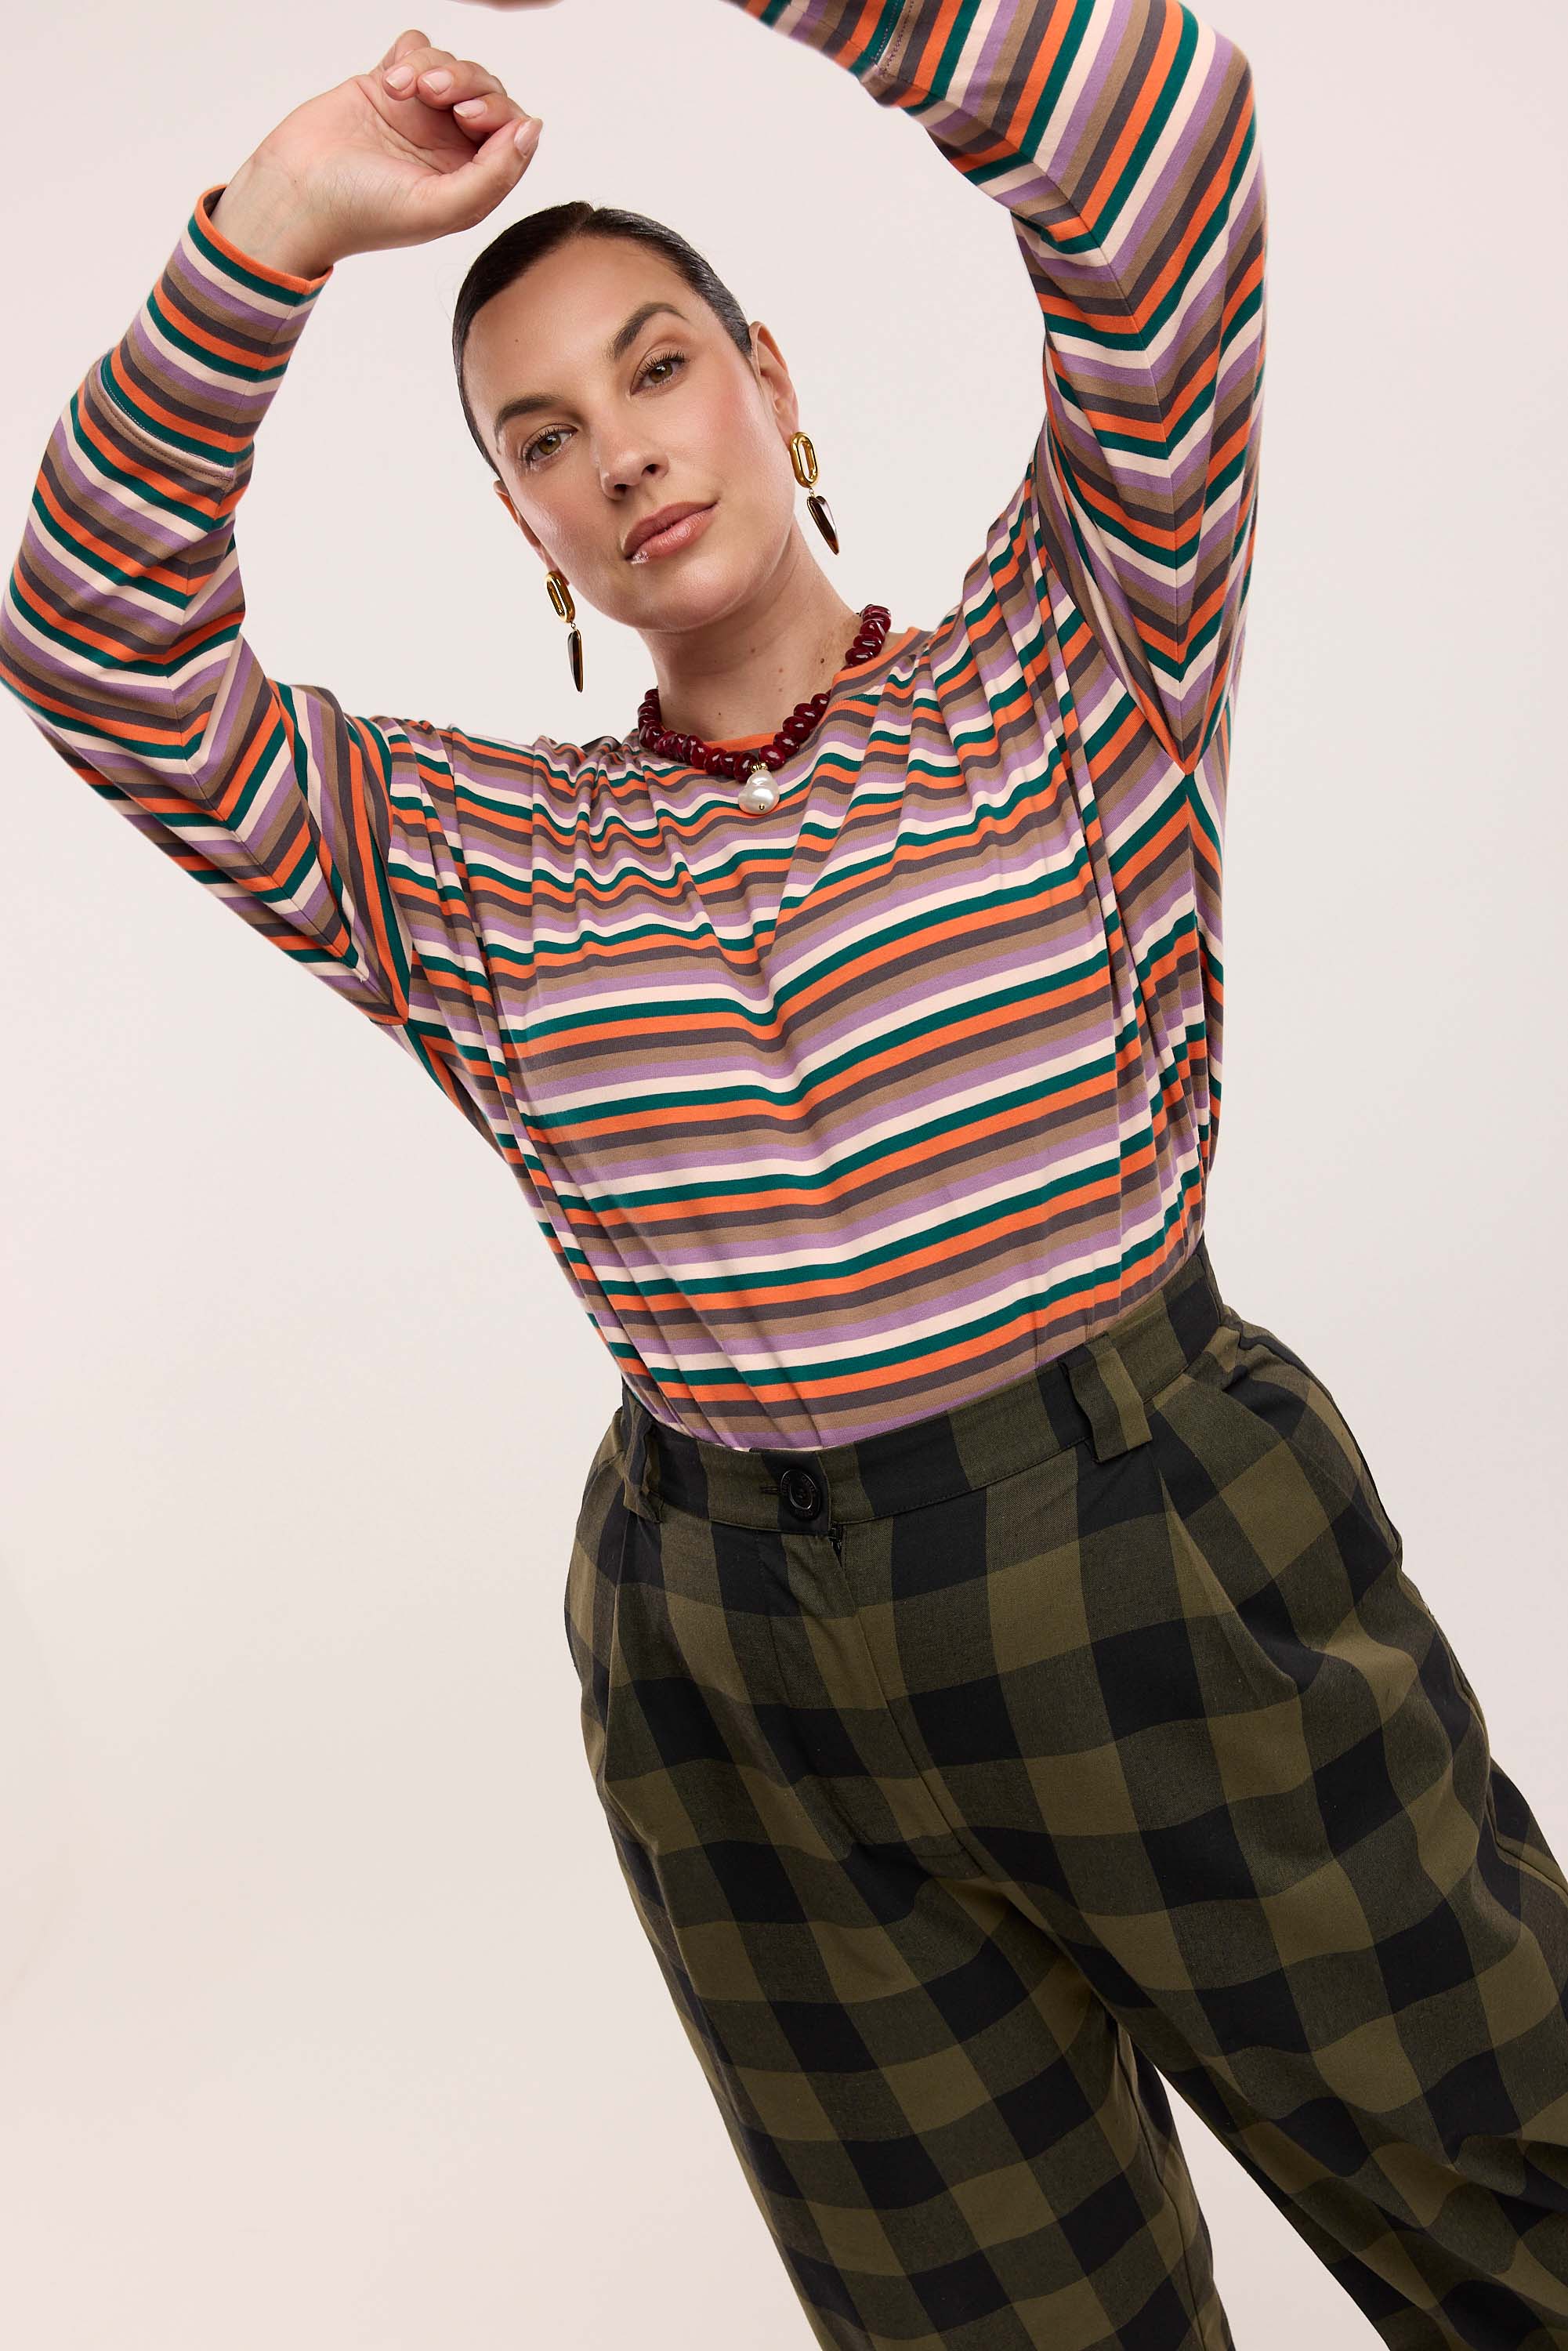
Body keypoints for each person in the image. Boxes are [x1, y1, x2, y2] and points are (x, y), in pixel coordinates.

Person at [3, 5, 1566, 2344]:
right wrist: (283, 222)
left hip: (1159, 1563)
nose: (618, 449)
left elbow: (1159, 143)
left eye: (655, 369)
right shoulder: (466, 859)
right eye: (541, 436)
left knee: (1523, 2203)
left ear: (772, 384)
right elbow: (94, 643)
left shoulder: (1072, 653)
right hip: (739, 1678)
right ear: (523, 529)